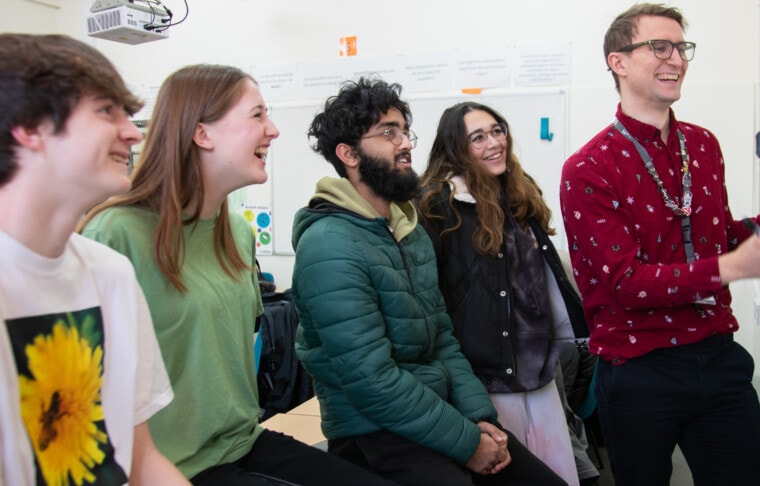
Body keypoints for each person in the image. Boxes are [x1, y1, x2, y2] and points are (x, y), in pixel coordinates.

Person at [79, 64, 395, 485]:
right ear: (202, 133)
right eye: (257, 115)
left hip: (241, 442)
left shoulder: (237, 233)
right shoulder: (117, 233)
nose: (274, 129)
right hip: (170, 466)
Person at [559, 4, 760, 485]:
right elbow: (627, 283)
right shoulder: (588, 169)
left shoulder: (702, 145)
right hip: (638, 370)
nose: (676, 58)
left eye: (681, 47)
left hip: (717, 358)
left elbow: (720, 241)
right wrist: (730, 269)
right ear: (619, 61)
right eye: (659, 47)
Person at [292, 77, 567, 486]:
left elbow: (442, 339)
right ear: (348, 153)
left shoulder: (407, 228)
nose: (405, 144)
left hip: (437, 416)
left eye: (404, 131)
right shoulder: (329, 244)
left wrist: (481, 419)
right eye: (388, 133)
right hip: (372, 432)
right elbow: (372, 381)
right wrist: (467, 443)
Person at [0, 33, 188, 485]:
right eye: (107, 111)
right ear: (29, 126)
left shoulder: (110, 273)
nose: (131, 131)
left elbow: (140, 461)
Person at [416, 101, 592, 485]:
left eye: (497, 130)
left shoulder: (518, 195)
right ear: (455, 149)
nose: (494, 142)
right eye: (477, 137)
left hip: (538, 369)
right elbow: (433, 296)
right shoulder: (439, 205)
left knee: (555, 471)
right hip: (487, 377)